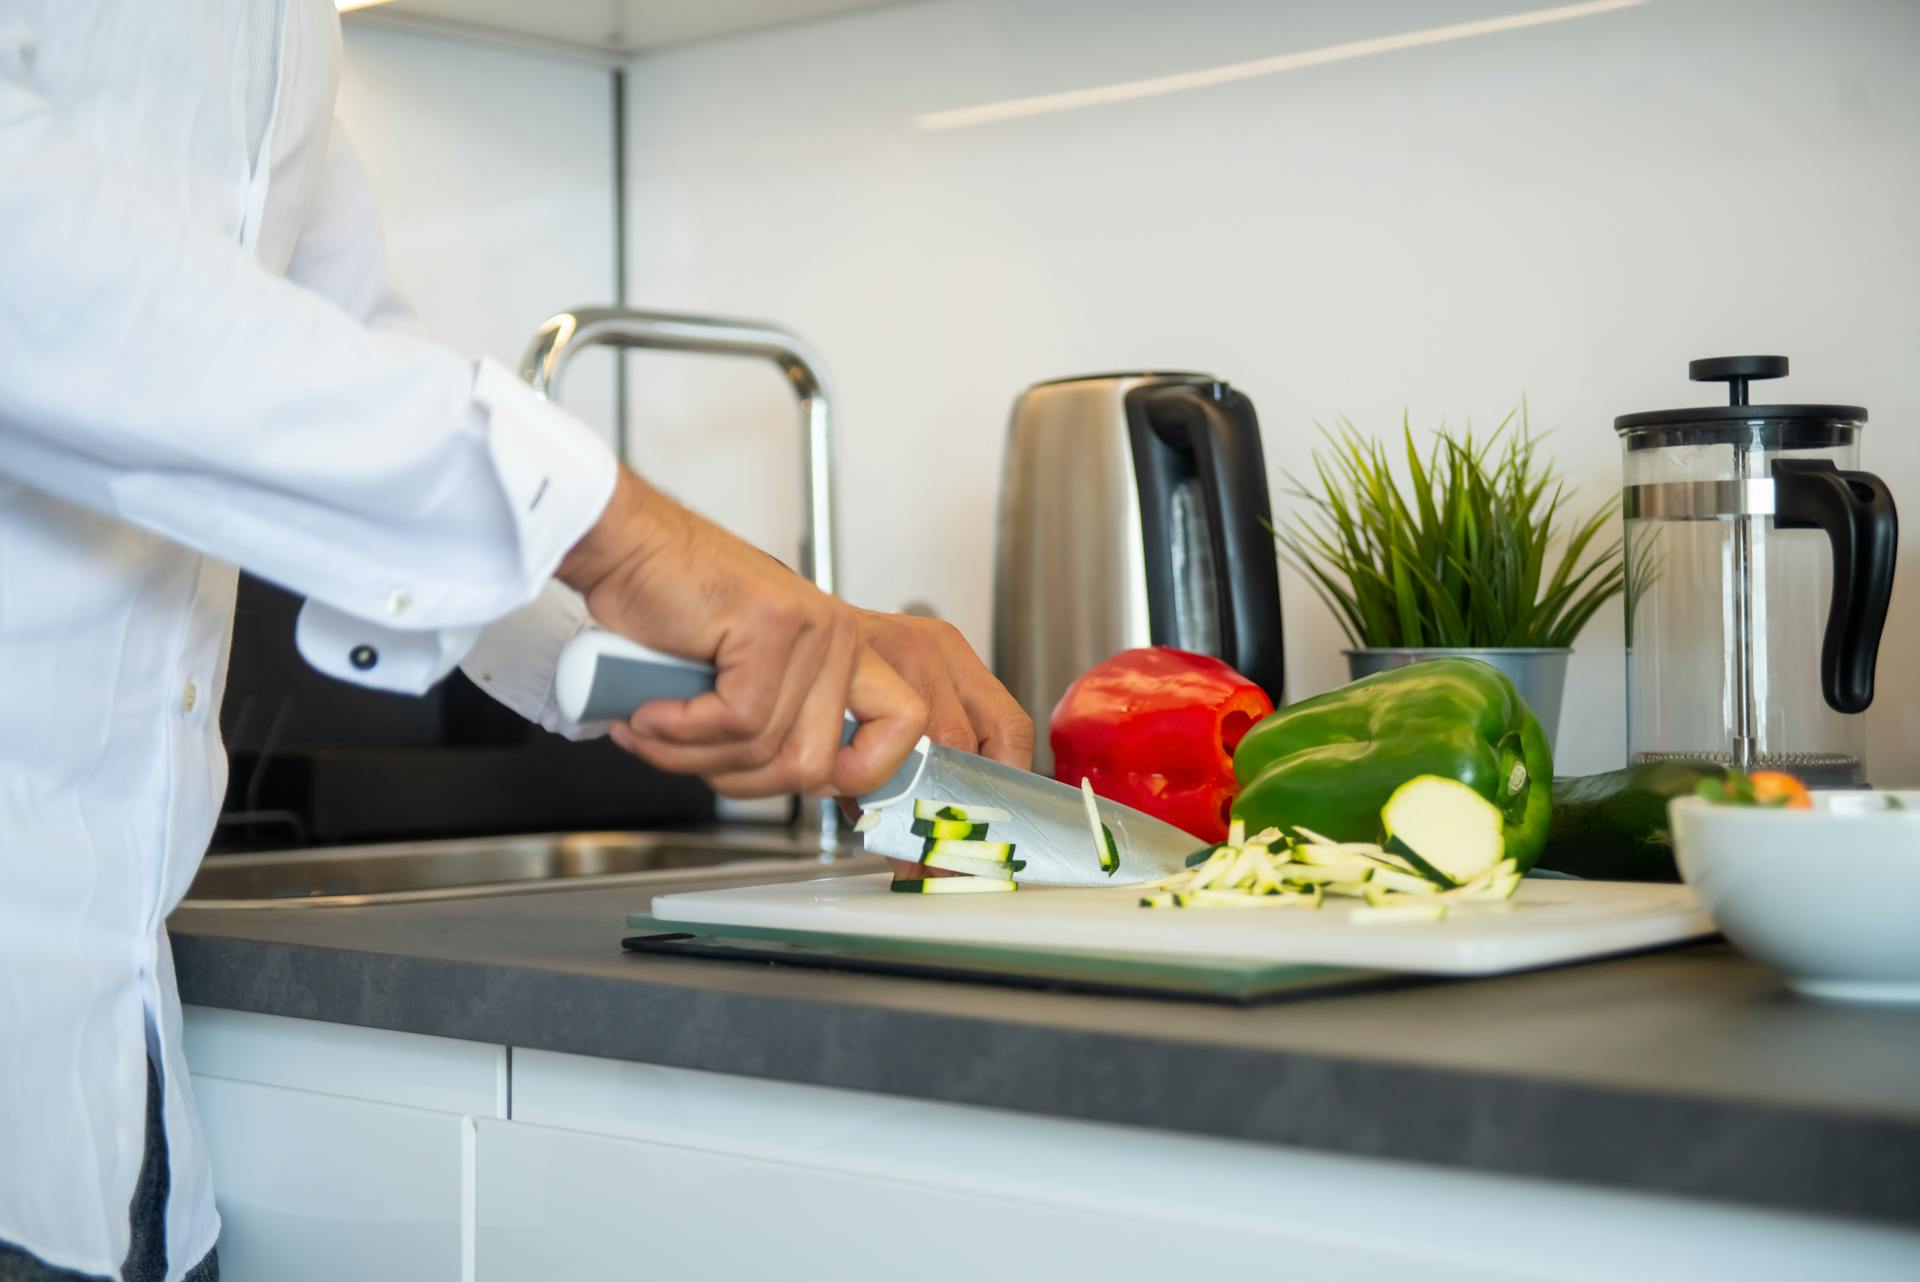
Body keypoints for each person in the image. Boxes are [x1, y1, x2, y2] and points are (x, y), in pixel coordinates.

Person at [0, 3, 1032, 1279]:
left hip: (114, 1129)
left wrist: (733, 634)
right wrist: (627, 538)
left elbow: (343, 377)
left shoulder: (285, 30)